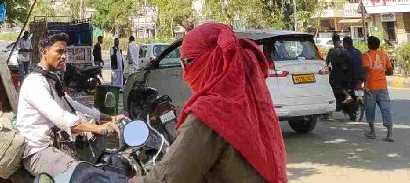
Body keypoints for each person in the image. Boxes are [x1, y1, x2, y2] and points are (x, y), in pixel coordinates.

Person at [131, 23, 287, 182]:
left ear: (211, 61)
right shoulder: (254, 100)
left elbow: (168, 177)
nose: (185, 72)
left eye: (186, 63)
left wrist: (136, 181)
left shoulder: (211, 112)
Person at [17, 31, 124, 179]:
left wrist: (110, 118)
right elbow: (60, 117)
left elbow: (73, 105)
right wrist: (97, 128)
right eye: (59, 51)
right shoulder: (35, 82)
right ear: (44, 52)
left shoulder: (50, 79)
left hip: (55, 145)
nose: (63, 56)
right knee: (82, 176)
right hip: (37, 151)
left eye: (65, 52)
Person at [362, 35, 394, 141]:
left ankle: (372, 132)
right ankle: (390, 134)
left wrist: (365, 85)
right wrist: (381, 72)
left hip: (371, 87)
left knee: (370, 109)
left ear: (369, 44)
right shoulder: (384, 56)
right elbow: (390, 71)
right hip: (383, 87)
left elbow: (366, 72)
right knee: (386, 109)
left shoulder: (366, 56)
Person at [326, 33, 352, 106]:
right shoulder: (345, 50)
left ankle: (347, 95)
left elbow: (326, 63)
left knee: (333, 83)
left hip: (336, 72)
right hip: (347, 72)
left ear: (333, 42)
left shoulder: (331, 51)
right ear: (339, 41)